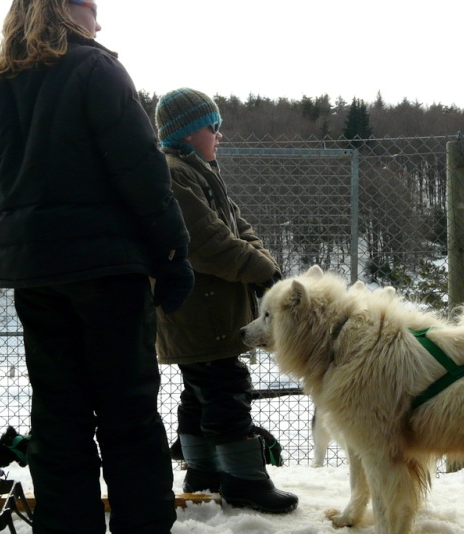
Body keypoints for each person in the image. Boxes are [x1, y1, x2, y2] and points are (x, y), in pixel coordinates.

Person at [0, 1, 195, 533]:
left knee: (58, 415)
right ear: (63, 7)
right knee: (128, 414)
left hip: (35, 272)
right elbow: (144, 174)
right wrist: (174, 254)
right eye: (91, 7)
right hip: (109, 269)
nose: (99, 22)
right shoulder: (95, 68)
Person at [154, 88, 298, 514]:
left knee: (200, 392)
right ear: (185, 132)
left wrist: (261, 259)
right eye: (210, 126)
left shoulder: (200, 170)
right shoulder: (175, 174)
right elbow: (209, 243)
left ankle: (204, 471)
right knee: (226, 389)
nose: (219, 133)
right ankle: (245, 480)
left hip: (207, 310)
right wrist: (264, 272)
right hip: (199, 310)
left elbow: (238, 225)